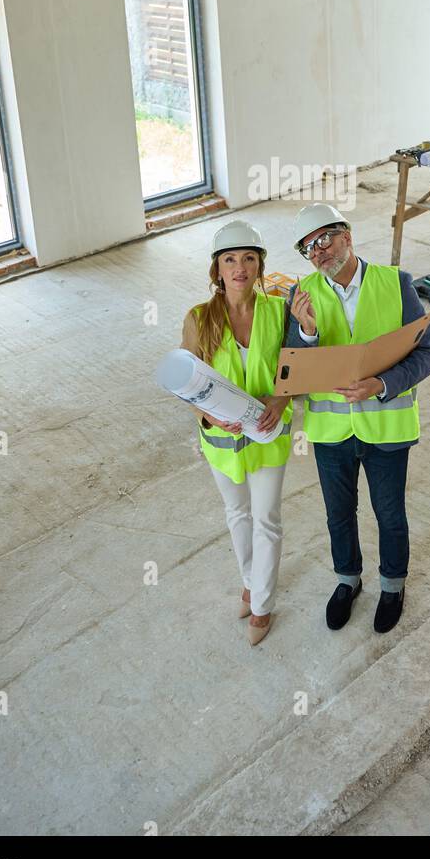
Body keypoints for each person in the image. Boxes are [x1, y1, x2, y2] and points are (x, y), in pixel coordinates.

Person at [286, 203, 430, 634]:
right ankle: (347, 580)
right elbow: (292, 370)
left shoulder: (396, 283)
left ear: (347, 236)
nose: (318, 252)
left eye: (324, 239)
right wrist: (308, 333)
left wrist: (381, 384)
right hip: (330, 432)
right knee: (339, 513)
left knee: (389, 514)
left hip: (386, 429)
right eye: (307, 247)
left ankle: (392, 585)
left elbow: (428, 355)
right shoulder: (301, 295)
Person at [181, 220, 292, 646]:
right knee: (237, 515)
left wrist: (281, 402)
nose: (240, 268)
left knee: (266, 518)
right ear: (218, 269)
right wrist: (207, 416)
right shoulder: (198, 318)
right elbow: (185, 382)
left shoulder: (278, 310)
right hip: (221, 442)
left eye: (248, 258)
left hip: (268, 436)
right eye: (230, 260)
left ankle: (261, 605)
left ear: (260, 264)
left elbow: (293, 369)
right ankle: (249, 581)